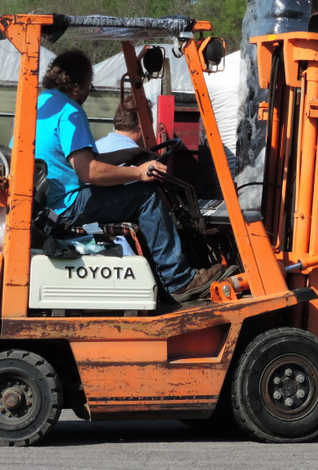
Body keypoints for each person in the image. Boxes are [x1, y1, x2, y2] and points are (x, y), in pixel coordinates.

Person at [35, 49, 223, 302]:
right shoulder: (70, 111)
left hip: (47, 203)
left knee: (134, 192)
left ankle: (159, 275)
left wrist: (130, 153)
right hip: (67, 205)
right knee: (146, 195)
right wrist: (138, 172)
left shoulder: (41, 105)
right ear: (80, 84)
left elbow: (82, 159)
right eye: (89, 84)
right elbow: (89, 171)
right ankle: (178, 280)